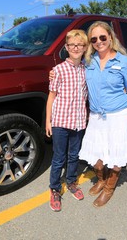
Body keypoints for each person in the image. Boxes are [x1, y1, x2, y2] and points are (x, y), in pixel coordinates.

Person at [79, 21, 127, 208]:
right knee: (97, 158)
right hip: (97, 117)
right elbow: (73, 71)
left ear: (111, 37)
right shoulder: (88, 61)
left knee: (116, 156)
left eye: (103, 37)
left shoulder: (123, 61)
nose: (99, 42)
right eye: (94, 39)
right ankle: (101, 179)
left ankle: (108, 189)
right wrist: (53, 75)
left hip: (118, 116)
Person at [46, 29, 88, 212]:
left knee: (74, 155)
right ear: (66, 47)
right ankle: (55, 188)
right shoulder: (58, 70)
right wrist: (48, 121)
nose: (76, 48)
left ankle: (71, 181)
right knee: (58, 158)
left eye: (80, 45)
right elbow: (51, 96)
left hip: (78, 122)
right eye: (72, 45)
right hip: (61, 122)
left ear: (85, 47)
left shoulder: (87, 69)